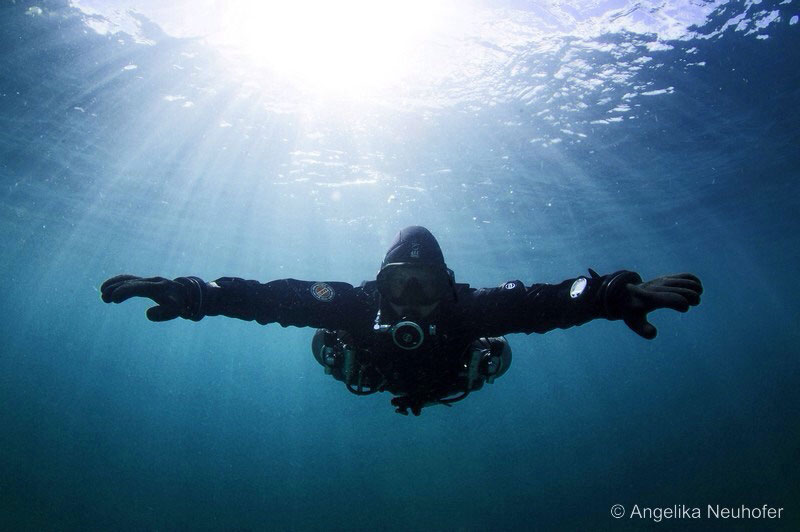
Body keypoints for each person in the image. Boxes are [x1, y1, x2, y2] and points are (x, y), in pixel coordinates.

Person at [101, 226, 702, 415]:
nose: (413, 299)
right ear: (379, 285)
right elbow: (267, 297)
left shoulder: (471, 311)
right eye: (400, 284)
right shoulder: (354, 306)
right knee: (319, 331)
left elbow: (547, 301)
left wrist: (612, 293)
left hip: (451, 377)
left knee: (498, 344)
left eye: (426, 286)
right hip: (367, 368)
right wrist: (192, 293)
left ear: (448, 286)